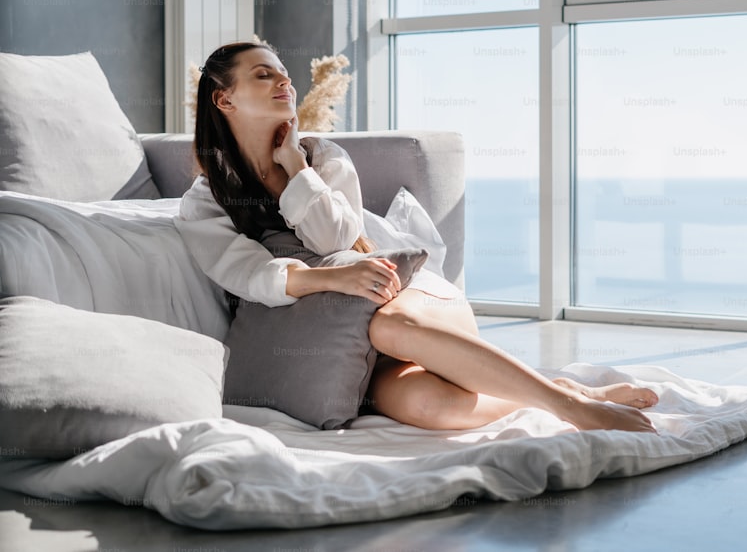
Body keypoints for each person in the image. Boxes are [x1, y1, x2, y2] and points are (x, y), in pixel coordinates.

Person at [175, 41, 657, 434]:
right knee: (430, 406)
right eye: (263, 74)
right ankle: (566, 394)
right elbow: (249, 275)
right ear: (224, 98)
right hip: (333, 335)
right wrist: (332, 282)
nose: (285, 81)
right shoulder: (205, 201)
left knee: (391, 327)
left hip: (406, 296)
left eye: (284, 72)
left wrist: (295, 169)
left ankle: (576, 410)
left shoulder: (322, 158)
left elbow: (334, 239)